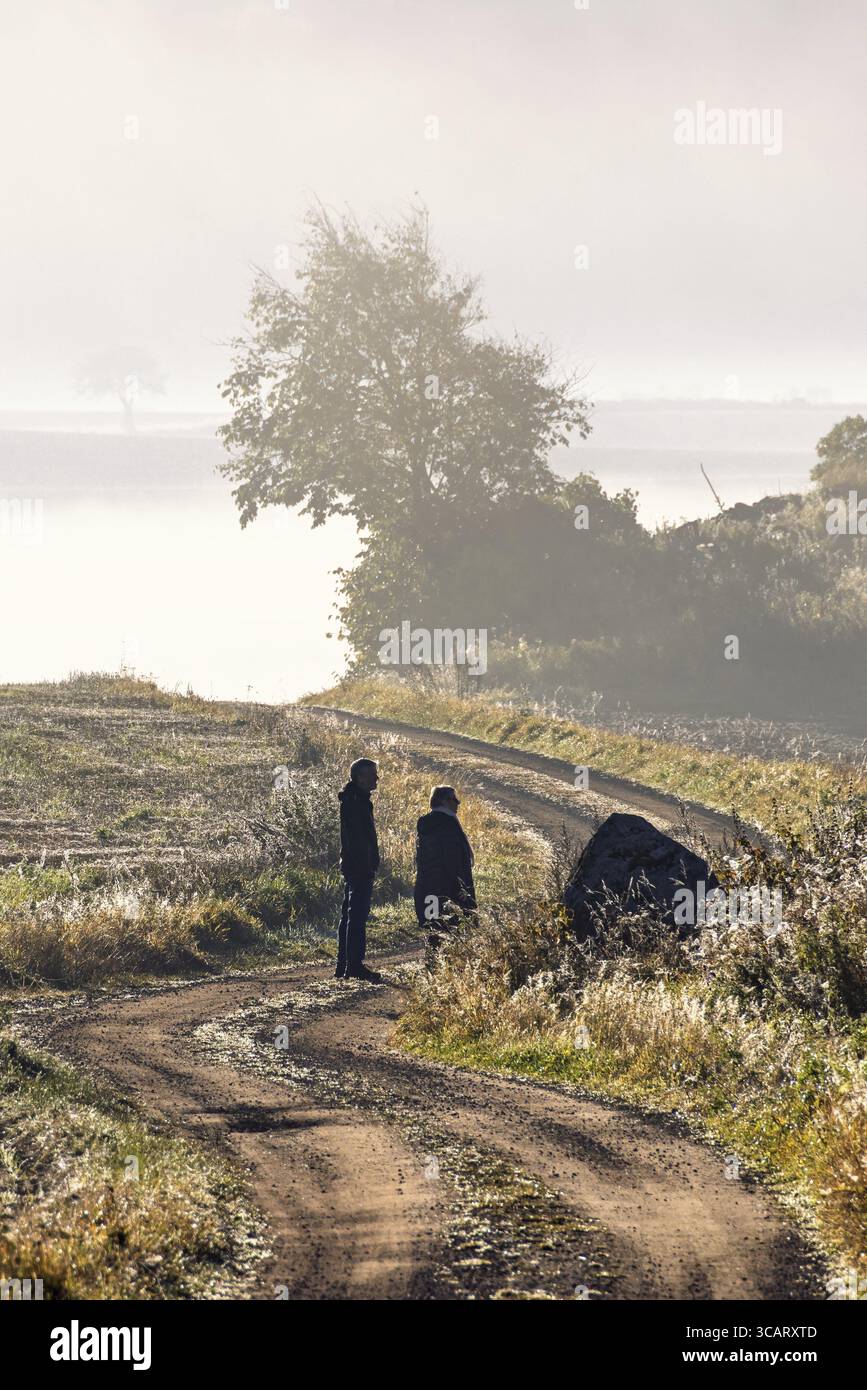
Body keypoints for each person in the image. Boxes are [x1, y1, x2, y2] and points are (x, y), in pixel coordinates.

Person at [335, 757, 382, 982]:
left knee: (350, 914)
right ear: (361, 777)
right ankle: (353, 965)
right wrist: (367, 863)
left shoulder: (354, 799)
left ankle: (344, 964)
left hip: (354, 864)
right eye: (373, 774)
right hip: (358, 865)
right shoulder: (356, 801)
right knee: (356, 915)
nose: (377, 778)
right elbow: (357, 839)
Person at [414, 785, 476, 944]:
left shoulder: (424, 822)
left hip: (427, 885)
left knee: (432, 926)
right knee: (456, 928)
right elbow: (452, 859)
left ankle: (433, 962)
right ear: (443, 801)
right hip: (449, 887)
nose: (458, 802)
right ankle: (452, 965)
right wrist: (460, 888)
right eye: (453, 799)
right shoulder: (448, 824)